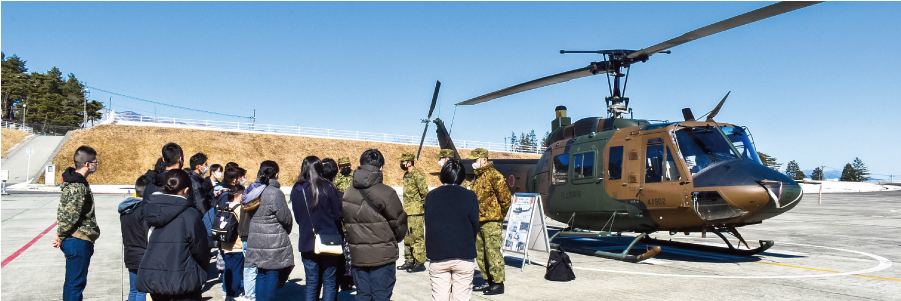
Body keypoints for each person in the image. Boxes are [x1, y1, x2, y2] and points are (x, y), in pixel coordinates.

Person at [342, 149, 407, 301]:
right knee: (381, 296)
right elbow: (399, 223)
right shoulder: (386, 192)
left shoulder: (348, 192)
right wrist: (391, 239)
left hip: (358, 255)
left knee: (363, 295)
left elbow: (346, 221)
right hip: (382, 256)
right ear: (381, 168)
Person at [136, 169, 210, 301]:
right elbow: (200, 250)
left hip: (155, 278)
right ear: (186, 190)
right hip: (183, 279)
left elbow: (146, 239)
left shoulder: (150, 210)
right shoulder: (190, 215)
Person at [425, 159, 480, 301]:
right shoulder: (470, 196)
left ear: (443, 175)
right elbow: (475, 224)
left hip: (438, 254)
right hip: (463, 254)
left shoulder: (431, 196)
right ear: (462, 176)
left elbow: (429, 222)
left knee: (439, 297)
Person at [51, 145, 101, 301]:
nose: (96, 164)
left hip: (73, 238)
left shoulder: (74, 182)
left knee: (73, 284)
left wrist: (60, 234)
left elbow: (65, 213)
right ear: (87, 164)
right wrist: (60, 235)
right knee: (75, 285)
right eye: (95, 162)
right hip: (78, 239)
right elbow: (71, 216)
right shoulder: (78, 186)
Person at [291, 156, 344, 301]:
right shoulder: (327, 187)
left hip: (307, 240)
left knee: (312, 283)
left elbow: (297, 217)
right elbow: (337, 214)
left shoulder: (297, 190)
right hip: (329, 239)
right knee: (330, 281)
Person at [244, 161, 294, 301]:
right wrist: (287, 229)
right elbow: (285, 217)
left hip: (255, 237)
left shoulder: (253, 190)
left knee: (260, 272)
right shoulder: (275, 193)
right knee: (272, 272)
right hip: (273, 239)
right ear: (276, 174)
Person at [468, 148, 511, 295]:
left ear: (484, 160)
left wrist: (498, 216)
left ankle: (498, 283)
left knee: (492, 252)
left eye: (475, 160)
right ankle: (487, 280)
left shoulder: (495, 176)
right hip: (478, 221)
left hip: (492, 222)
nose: (473, 163)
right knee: (480, 253)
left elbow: (505, 199)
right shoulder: (477, 178)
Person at [119, 175, 150, 301]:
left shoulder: (126, 209)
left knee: (133, 290)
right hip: (143, 253)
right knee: (142, 290)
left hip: (130, 252)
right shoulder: (143, 210)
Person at [397, 152, 428, 273]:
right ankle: (409, 260)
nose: (401, 164)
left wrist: (421, 207)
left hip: (416, 212)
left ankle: (419, 262)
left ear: (409, 163)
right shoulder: (406, 175)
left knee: (417, 237)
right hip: (407, 211)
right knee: (408, 237)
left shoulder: (417, 175)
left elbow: (424, 193)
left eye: (403, 162)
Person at [220, 184, 247, 301]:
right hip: (237, 245)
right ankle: (234, 294)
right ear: (240, 195)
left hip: (225, 244)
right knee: (237, 271)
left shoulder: (226, 207)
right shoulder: (240, 209)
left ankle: (226, 291)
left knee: (228, 269)